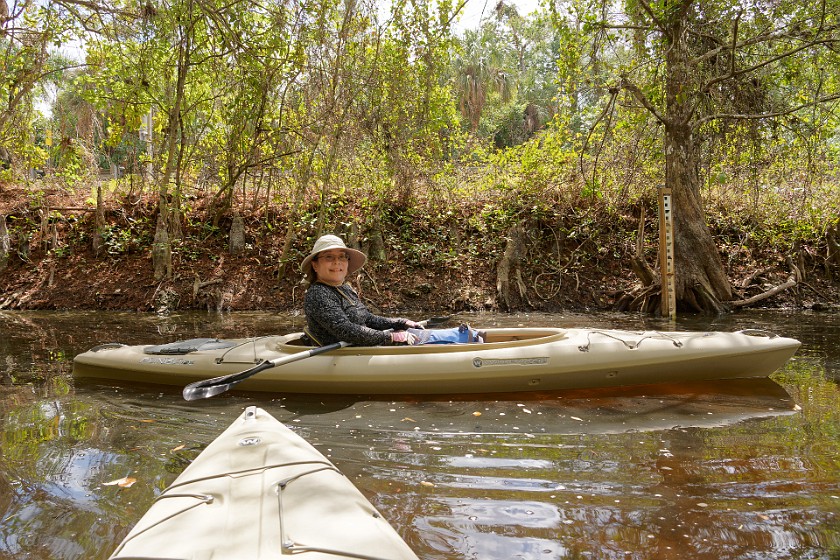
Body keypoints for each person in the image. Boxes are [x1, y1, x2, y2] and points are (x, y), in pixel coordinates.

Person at [300, 235, 423, 346]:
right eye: (329, 257)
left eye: (342, 257)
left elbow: (368, 319)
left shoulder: (345, 289)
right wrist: (391, 336)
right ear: (315, 265)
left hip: (364, 347)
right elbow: (346, 330)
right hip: (346, 356)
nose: (337, 262)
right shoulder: (318, 293)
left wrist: (400, 323)